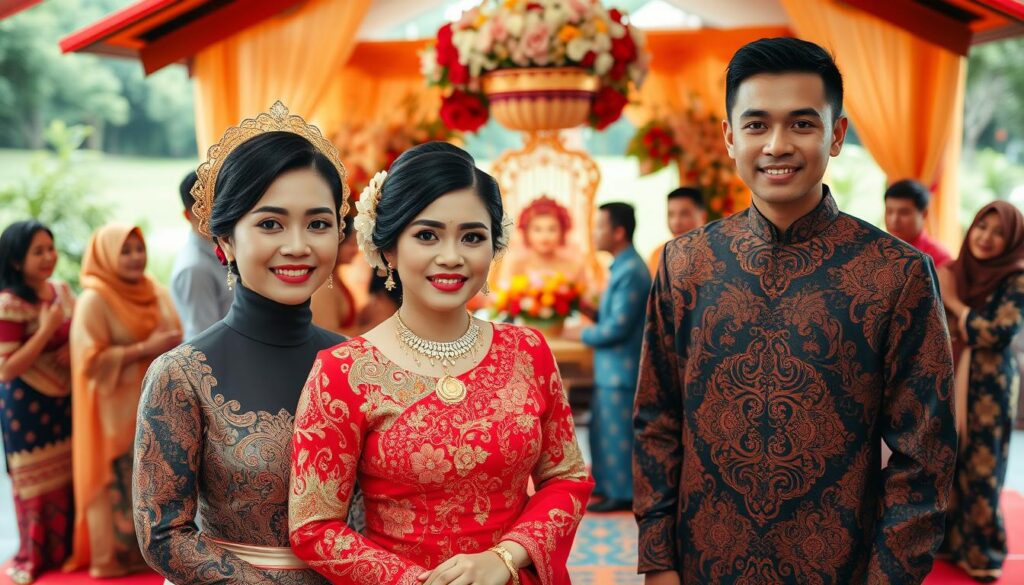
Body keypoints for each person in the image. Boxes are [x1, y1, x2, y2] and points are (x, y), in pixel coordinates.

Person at [633, 37, 956, 584]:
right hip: (702, 566)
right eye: (757, 125)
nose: (777, 145)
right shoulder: (685, 264)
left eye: (802, 124)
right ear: (730, 137)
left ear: (836, 135)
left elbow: (925, 456)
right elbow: (656, 420)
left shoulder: (894, 274)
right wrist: (658, 561)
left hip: (839, 568)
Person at [289, 142, 593, 585]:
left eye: (472, 237)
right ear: (388, 247)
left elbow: (566, 477)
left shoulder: (527, 351)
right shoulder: (343, 371)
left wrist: (505, 558)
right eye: (427, 235)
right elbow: (314, 527)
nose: (451, 256)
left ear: (494, 245)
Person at [133, 102, 351, 584]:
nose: (297, 245)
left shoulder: (359, 363)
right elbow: (162, 534)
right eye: (270, 224)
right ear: (225, 239)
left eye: (317, 223)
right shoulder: (180, 374)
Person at [65, 223, 181, 578]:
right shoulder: (94, 300)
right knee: (119, 486)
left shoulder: (155, 292)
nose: (136, 258)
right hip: (114, 416)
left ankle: (149, 552)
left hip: (157, 409)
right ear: (105, 256)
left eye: (139, 248)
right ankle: (113, 557)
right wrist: (145, 349)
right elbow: (88, 361)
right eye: (125, 251)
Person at [937, 201, 1024, 582]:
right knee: (948, 462)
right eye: (981, 227)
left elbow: (995, 331)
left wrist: (955, 304)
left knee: (983, 467)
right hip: (950, 379)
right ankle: (949, 543)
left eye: (998, 232)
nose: (986, 238)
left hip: (991, 386)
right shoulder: (955, 271)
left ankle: (982, 552)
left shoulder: (1017, 278)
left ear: (1012, 240)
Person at [0, 221, 74, 585]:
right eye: (38, 251)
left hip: (66, 402)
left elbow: (82, 334)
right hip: (25, 408)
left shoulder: (60, 290)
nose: (49, 257)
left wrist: (70, 345)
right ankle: (35, 554)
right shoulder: (9, 304)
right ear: (16, 261)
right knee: (35, 482)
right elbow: (6, 369)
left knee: (67, 477)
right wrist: (46, 330)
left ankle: (65, 550)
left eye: (51, 247)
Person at [575, 203, 650, 513]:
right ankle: (608, 487)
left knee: (618, 434)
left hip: (622, 371)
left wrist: (580, 334)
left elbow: (618, 328)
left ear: (618, 232)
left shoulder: (631, 270)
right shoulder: (623, 266)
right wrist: (588, 311)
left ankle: (622, 493)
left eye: (600, 227)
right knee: (603, 431)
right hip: (611, 370)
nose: (595, 234)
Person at [169, 170, 233, 341]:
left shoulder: (225, 246)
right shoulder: (194, 269)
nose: (214, 215)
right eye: (203, 209)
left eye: (218, 205)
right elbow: (204, 338)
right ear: (187, 215)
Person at [499, 195, 588, 286]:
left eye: (552, 229)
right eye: (537, 229)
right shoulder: (516, 267)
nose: (545, 236)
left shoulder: (575, 267)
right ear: (526, 232)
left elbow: (585, 298)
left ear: (562, 232)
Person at [884, 178, 954, 268]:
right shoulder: (875, 248)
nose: (894, 220)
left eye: (904, 212)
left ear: (924, 213)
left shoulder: (939, 259)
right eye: (889, 211)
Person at [311, 218, 360, 336]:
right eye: (351, 244)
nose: (356, 250)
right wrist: (368, 331)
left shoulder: (335, 278)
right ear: (336, 244)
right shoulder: (324, 285)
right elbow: (328, 334)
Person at [647, 187, 706, 275]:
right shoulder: (659, 255)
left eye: (684, 214)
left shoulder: (716, 253)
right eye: (671, 215)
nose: (676, 222)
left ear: (702, 217)